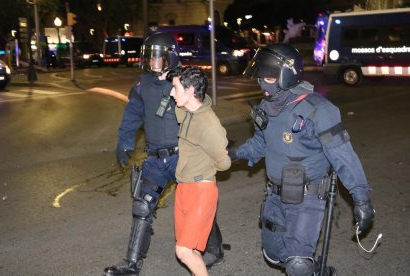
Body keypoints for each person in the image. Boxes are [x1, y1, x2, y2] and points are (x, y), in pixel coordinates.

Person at [229, 43, 375, 276]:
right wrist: (233, 154)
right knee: (274, 255)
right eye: (260, 76)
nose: (260, 82)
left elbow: (343, 157)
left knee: (297, 264)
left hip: (308, 197)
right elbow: (261, 143)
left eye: (267, 76)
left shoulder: (319, 110)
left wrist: (362, 200)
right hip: (275, 194)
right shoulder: (267, 106)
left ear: (286, 75)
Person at [103, 33, 224, 276]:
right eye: (149, 57)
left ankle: (214, 248)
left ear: (170, 56)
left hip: (184, 157)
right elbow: (133, 114)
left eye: (158, 57)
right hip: (156, 158)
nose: (153, 62)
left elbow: (201, 107)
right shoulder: (142, 84)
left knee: (197, 207)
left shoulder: (183, 79)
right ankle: (132, 265)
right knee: (142, 206)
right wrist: (124, 141)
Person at [169, 66, 231, 276]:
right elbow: (177, 107)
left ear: (189, 91)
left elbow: (224, 163)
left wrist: (202, 167)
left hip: (201, 190)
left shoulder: (209, 125)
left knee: (183, 251)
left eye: (175, 88)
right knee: (192, 248)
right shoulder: (187, 111)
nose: (171, 93)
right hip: (184, 188)